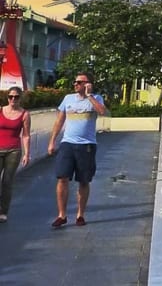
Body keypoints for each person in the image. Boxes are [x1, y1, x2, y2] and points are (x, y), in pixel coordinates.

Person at [48, 72, 108, 228]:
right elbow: (59, 121)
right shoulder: (68, 99)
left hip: (87, 145)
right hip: (67, 143)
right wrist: (52, 141)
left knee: (83, 180)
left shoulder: (96, 98)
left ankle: (80, 214)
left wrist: (89, 96)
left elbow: (102, 112)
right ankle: (62, 215)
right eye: (75, 82)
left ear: (88, 84)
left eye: (80, 82)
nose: (76, 84)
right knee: (62, 177)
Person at [0, 86, 30, 222]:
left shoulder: (24, 114)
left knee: (7, 181)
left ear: (20, 98)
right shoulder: (0, 110)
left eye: (16, 97)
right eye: (10, 96)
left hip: (13, 150)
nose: (13, 99)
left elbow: (26, 135)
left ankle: (3, 212)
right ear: (7, 98)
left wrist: (26, 154)